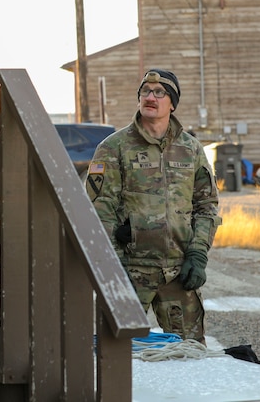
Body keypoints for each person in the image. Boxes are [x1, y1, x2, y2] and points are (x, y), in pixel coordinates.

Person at [85, 69, 222, 344]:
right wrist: (115, 266)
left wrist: (197, 255)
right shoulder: (114, 148)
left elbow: (206, 206)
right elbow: (100, 211)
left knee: (190, 354)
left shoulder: (191, 149)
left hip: (178, 272)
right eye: (145, 91)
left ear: (172, 103)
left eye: (160, 92)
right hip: (131, 271)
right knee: (115, 355)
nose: (151, 96)